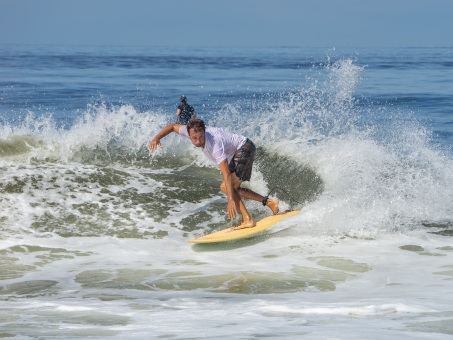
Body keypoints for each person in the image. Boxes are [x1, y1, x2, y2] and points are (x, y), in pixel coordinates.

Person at [148, 119, 279, 230]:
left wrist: (230, 200)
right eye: (194, 138)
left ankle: (248, 220)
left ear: (204, 131)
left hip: (244, 148)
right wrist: (156, 138)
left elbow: (227, 174)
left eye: (201, 137)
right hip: (242, 149)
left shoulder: (214, 144)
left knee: (226, 187)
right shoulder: (188, 130)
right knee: (234, 188)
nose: (198, 141)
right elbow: (172, 126)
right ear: (189, 134)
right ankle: (270, 203)